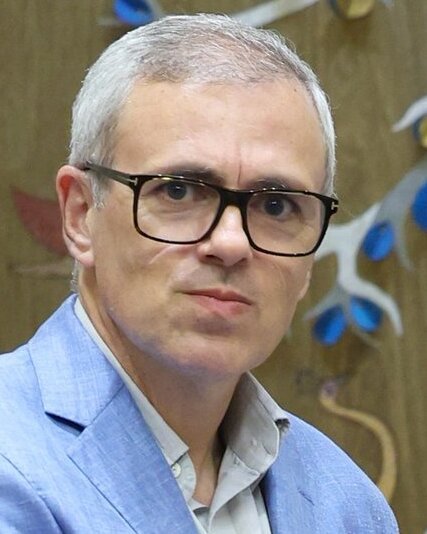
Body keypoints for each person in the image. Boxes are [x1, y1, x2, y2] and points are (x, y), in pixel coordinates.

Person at [0, 13, 398, 534]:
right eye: (179, 191)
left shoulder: (348, 505)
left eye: (276, 206)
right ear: (80, 215)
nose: (231, 244)